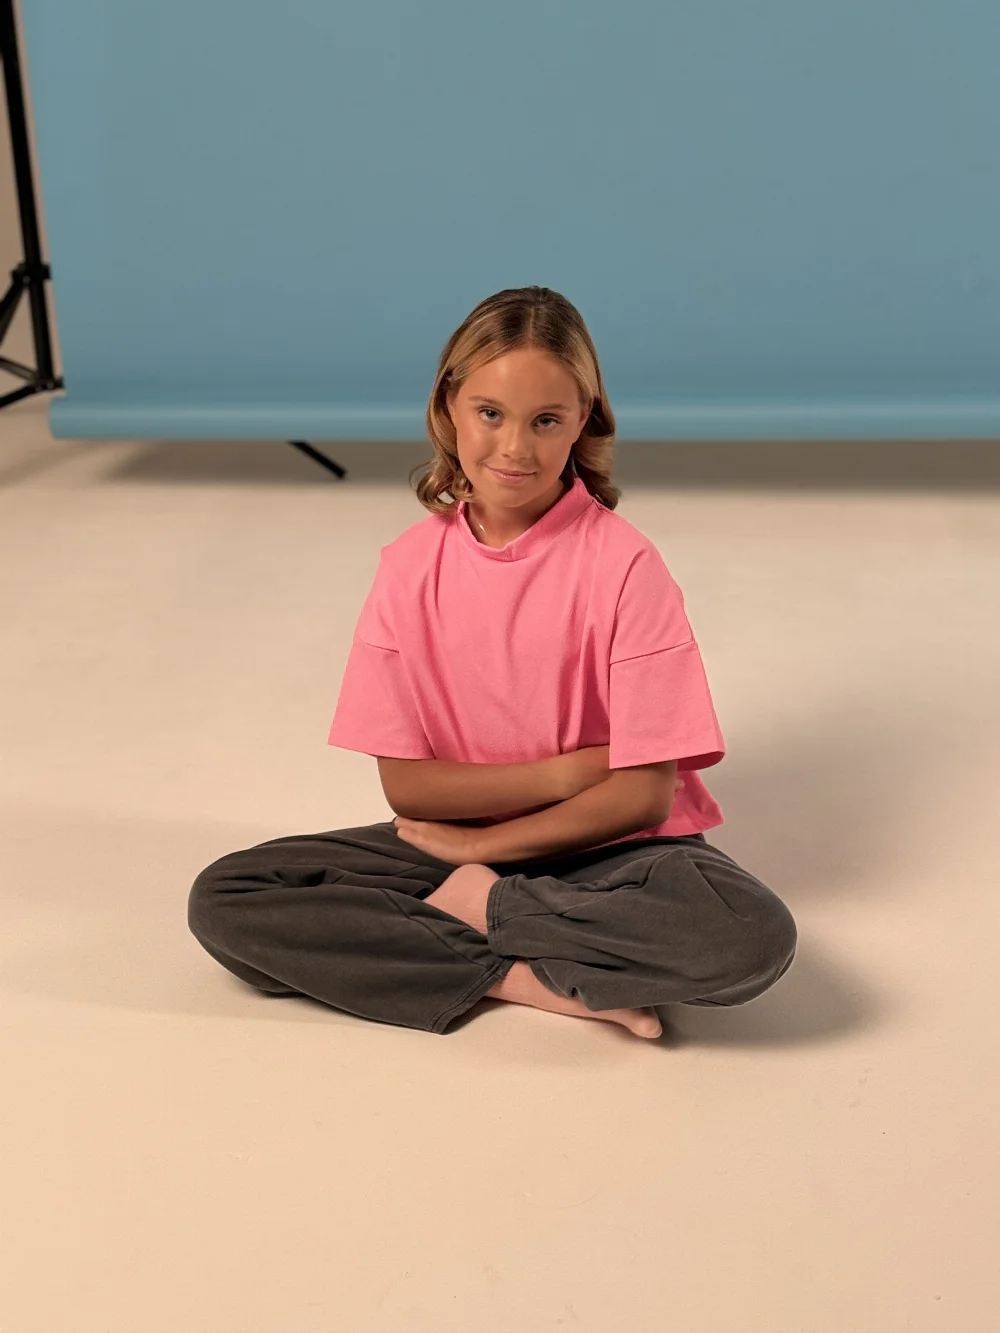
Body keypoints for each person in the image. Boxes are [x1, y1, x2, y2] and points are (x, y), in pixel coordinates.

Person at [188, 286, 796, 1039]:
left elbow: (642, 796)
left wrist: (484, 859)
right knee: (229, 897)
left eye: (546, 420)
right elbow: (408, 786)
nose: (515, 449)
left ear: (583, 419)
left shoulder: (625, 564)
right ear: (449, 407)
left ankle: (478, 920)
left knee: (747, 937)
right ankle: (519, 976)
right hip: (452, 846)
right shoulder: (407, 569)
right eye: (490, 413)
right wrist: (561, 775)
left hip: (612, 855)